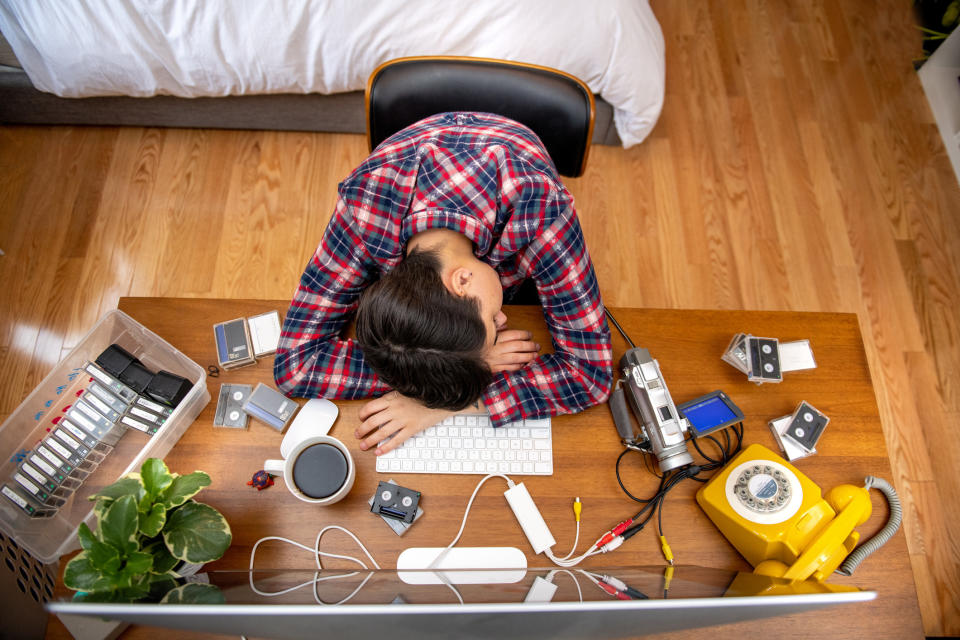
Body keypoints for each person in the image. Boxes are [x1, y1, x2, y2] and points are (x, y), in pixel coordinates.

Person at [274, 112, 612, 455]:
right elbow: (296, 365)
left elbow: (590, 376)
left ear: (464, 281)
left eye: (492, 324)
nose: (503, 321)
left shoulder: (542, 211)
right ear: (462, 280)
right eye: (495, 325)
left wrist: (438, 402)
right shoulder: (365, 204)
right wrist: (458, 369)